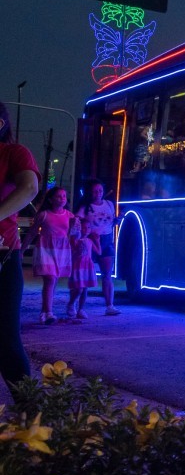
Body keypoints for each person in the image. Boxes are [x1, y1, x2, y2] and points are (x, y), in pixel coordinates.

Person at [0, 100, 40, 397]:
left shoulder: (13, 153)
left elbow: (29, 188)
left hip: (3, 257)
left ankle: (30, 415)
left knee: (5, 340)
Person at [22, 185, 75, 324]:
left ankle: (44, 312)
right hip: (46, 249)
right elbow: (32, 232)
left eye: (64, 196)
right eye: (59, 196)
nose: (62, 199)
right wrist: (22, 250)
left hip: (61, 250)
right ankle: (49, 312)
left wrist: (76, 227)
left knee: (53, 281)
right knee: (50, 279)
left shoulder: (69, 215)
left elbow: (74, 234)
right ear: (51, 199)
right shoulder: (44, 215)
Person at [76, 178, 122, 315]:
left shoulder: (109, 204)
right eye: (95, 191)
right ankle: (80, 308)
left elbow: (110, 223)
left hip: (106, 240)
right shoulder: (86, 207)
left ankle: (110, 306)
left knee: (107, 275)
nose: (98, 194)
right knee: (86, 274)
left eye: (100, 191)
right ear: (90, 192)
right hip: (90, 240)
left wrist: (117, 221)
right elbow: (77, 222)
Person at [67, 217, 98, 319]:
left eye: (89, 227)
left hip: (87, 266)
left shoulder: (89, 240)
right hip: (78, 266)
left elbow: (99, 251)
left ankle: (81, 309)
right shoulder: (76, 239)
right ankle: (71, 303)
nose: (87, 229)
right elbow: (74, 249)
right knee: (78, 288)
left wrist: (97, 241)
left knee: (85, 289)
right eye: (84, 227)